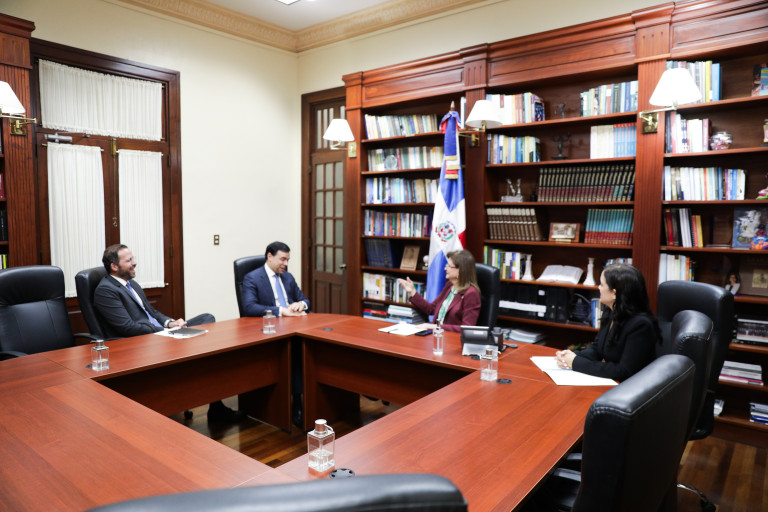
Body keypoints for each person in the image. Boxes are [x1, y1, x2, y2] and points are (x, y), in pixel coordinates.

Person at [94, 244, 242, 421]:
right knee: (203, 355)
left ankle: (200, 367)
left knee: (207, 318)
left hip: (162, 335)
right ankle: (213, 402)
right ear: (114, 266)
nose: (135, 263)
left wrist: (171, 322)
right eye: (129, 260)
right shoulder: (105, 290)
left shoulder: (131, 284)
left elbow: (152, 312)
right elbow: (127, 327)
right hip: (146, 345)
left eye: (133, 258)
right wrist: (164, 330)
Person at [555, 263, 660, 381]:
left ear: (614, 293)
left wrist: (576, 362)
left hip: (632, 386)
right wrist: (572, 356)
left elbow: (623, 371)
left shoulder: (641, 325)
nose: (598, 288)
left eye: (601, 284)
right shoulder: (610, 311)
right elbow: (597, 349)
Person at [397, 249, 481, 332]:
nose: (445, 268)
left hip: (453, 338)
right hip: (438, 335)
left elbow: (467, 328)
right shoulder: (450, 285)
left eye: (449, 266)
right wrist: (412, 291)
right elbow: (431, 309)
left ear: (460, 270)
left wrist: (435, 327)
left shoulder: (471, 294)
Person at [242, 241, 310, 317]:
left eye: (287, 260)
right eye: (283, 259)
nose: (286, 264)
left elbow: (305, 300)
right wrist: (281, 311)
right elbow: (250, 307)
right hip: (271, 320)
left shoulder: (288, 276)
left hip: (293, 319)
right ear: (270, 256)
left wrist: (301, 304)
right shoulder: (252, 278)